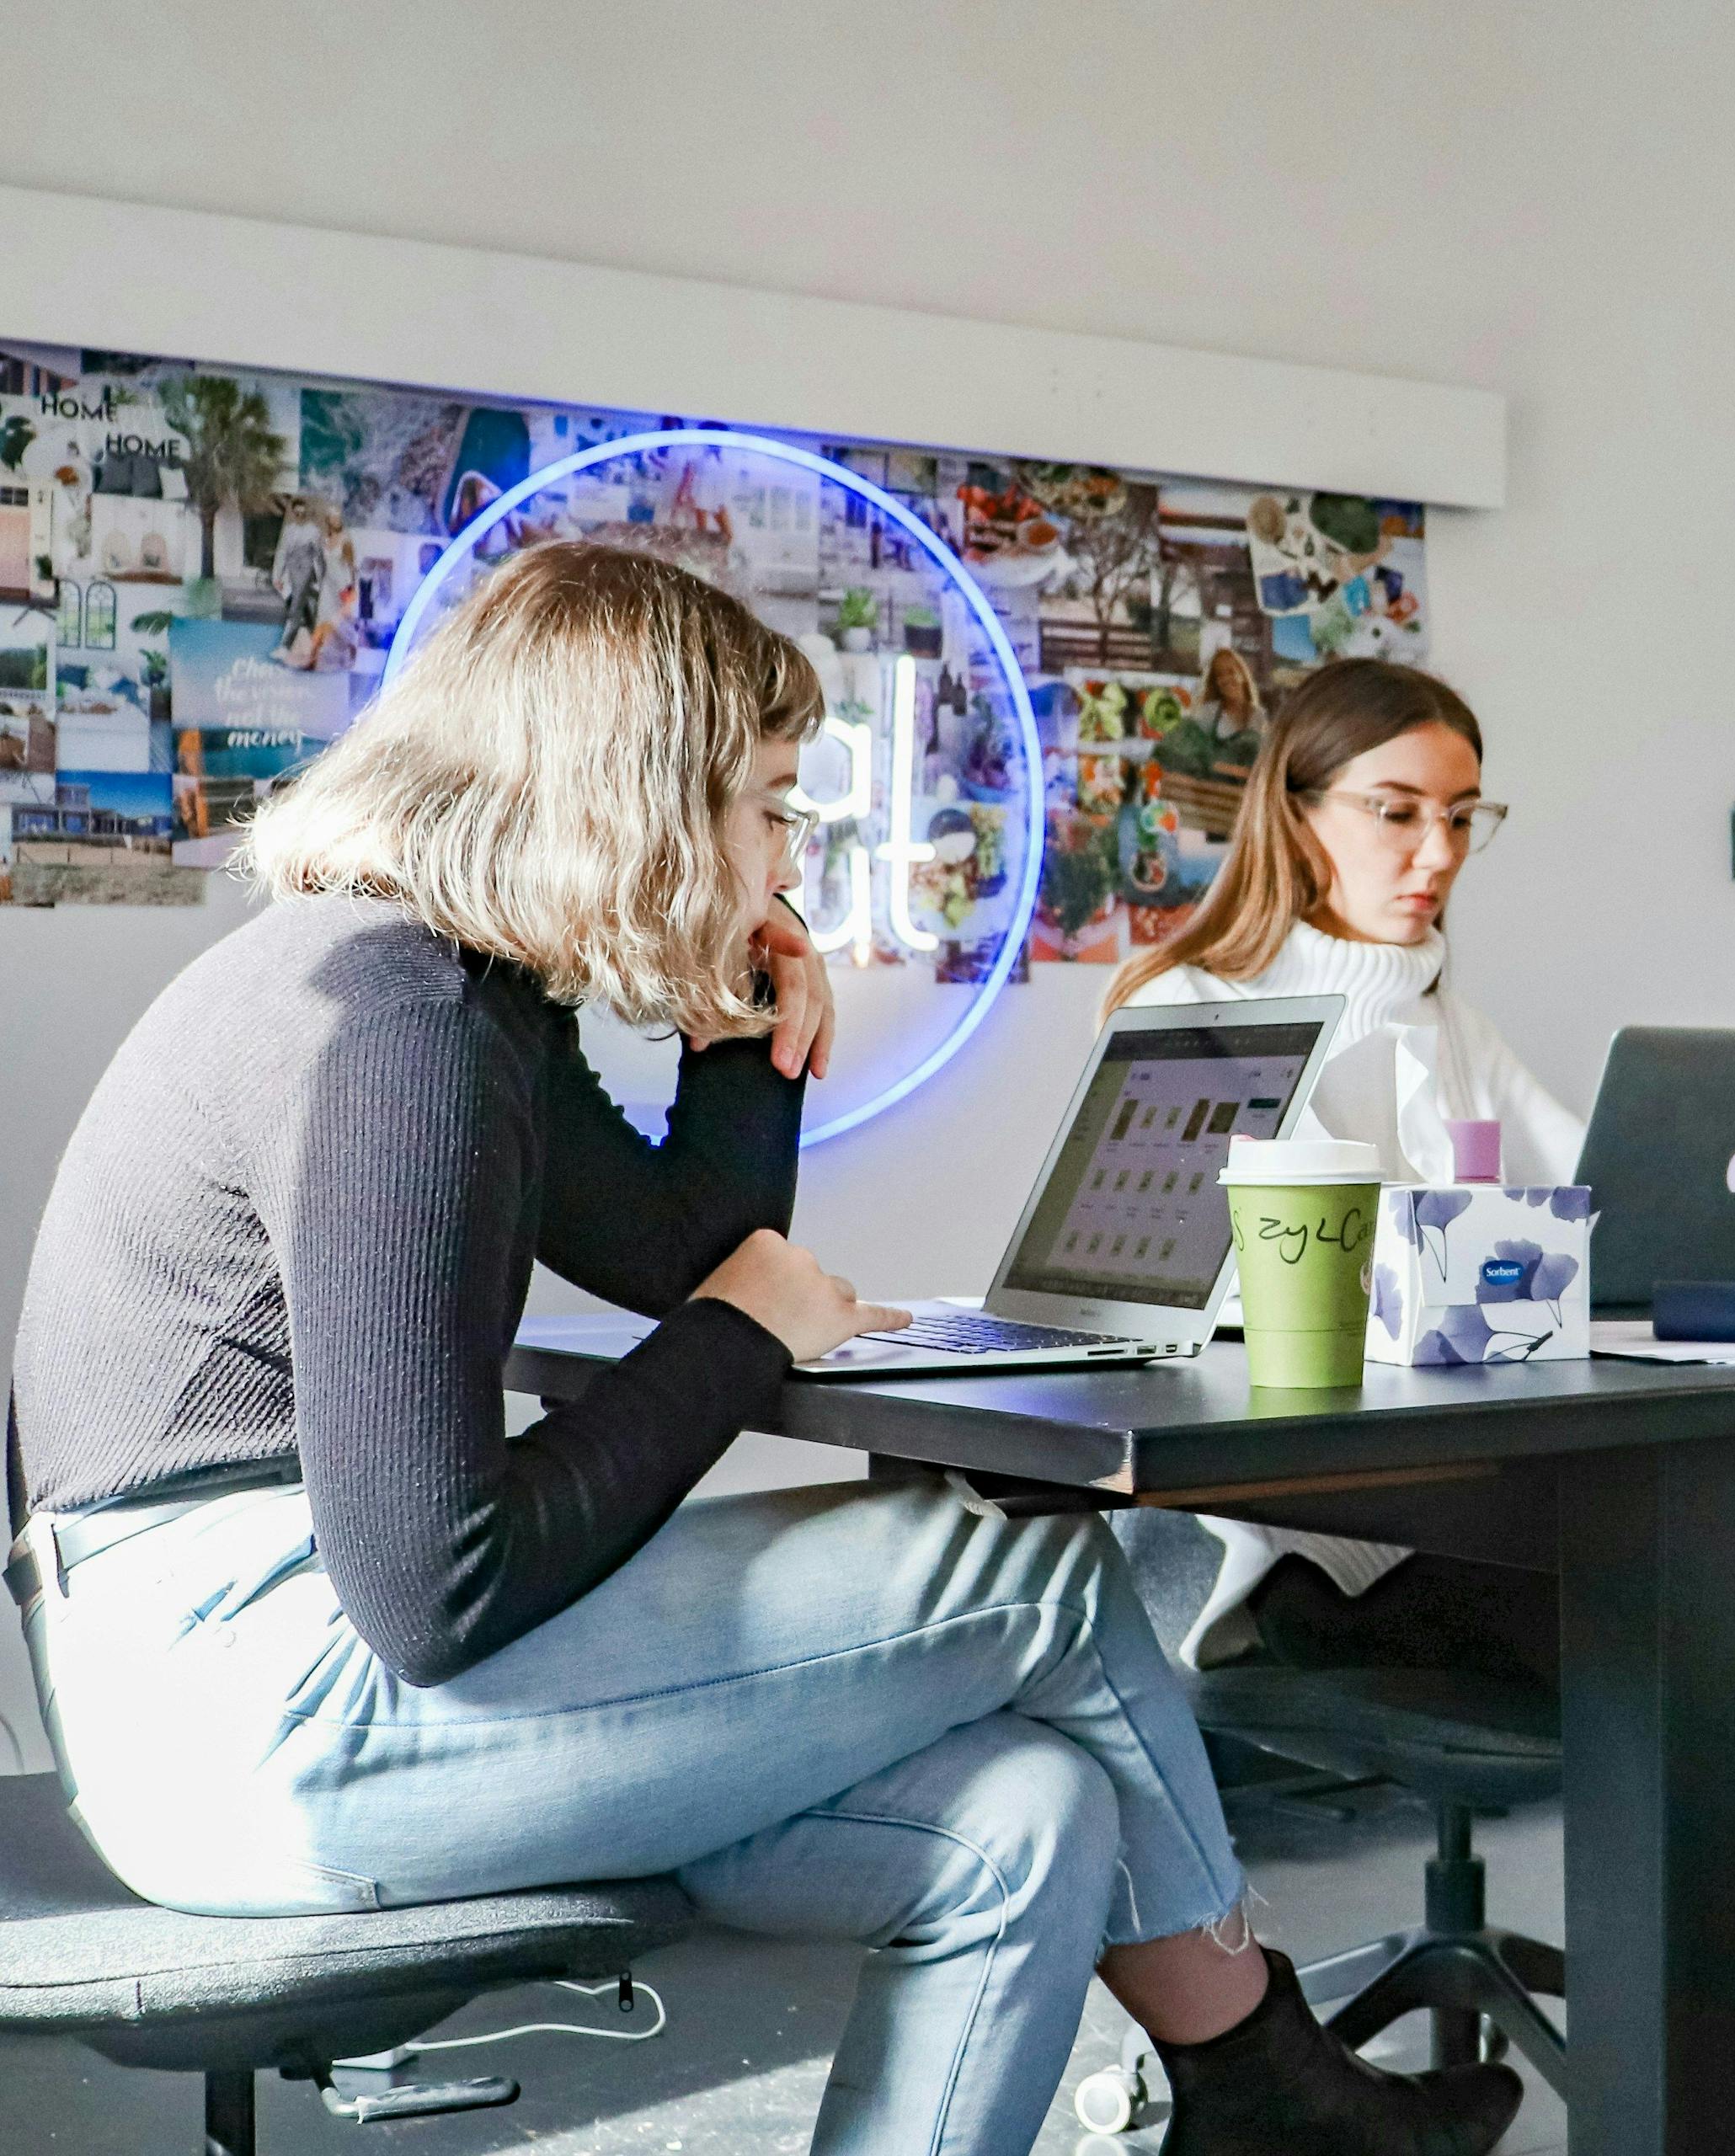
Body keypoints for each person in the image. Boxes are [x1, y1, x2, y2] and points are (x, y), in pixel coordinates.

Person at [3, 542, 1519, 2156]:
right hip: (253, 1715)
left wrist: (742, 1047)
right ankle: (1276, 2093)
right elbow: (437, 1585)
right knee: (1052, 1575)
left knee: (1031, 1812)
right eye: (777, 808)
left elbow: (673, 1249)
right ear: (649, 802)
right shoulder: (403, 1035)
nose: (793, 851)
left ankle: (1256, 2103)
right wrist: (744, 1337)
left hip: (255, 1682)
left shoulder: (455, 989)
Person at [1102, 658, 1735, 2156]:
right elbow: (1254, 1314)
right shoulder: (1192, 1010)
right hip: (1326, 1558)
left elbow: (1607, 1214)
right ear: (1297, 815)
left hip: (1504, 1519)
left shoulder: (1446, 1021)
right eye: (1396, 814)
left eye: (1461, 819)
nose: (1435, 857)